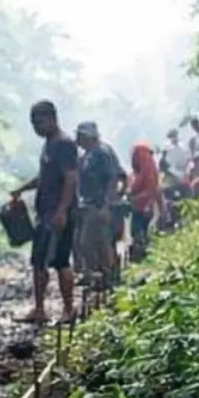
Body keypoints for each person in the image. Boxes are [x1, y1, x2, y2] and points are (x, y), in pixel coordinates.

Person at [10, 100, 78, 325]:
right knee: (39, 261)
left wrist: (62, 211)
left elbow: (70, 178)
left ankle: (68, 309)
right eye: (33, 124)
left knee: (60, 261)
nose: (37, 128)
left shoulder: (64, 144)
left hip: (57, 213)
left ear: (52, 118)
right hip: (45, 212)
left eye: (39, 122)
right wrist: (22, 189)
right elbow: (44, 177)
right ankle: (39, 308)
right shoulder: (49, 144)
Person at [74, 122, 122, 288]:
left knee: (93, 241)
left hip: (100, 204)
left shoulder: (102, 152)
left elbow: (113, 179)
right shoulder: (86, 156)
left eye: (80, 137)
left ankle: (108, 275)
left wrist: (106, 205)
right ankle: (99, 274)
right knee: (93, 242)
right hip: (88, 205)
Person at [128, 143, 161, 256]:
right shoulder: (142, 172)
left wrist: (147, 204)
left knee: (140, 231)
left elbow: (152, 190)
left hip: (144, 207)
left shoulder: (148, 171)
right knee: (137, 232)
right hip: (138, 207)